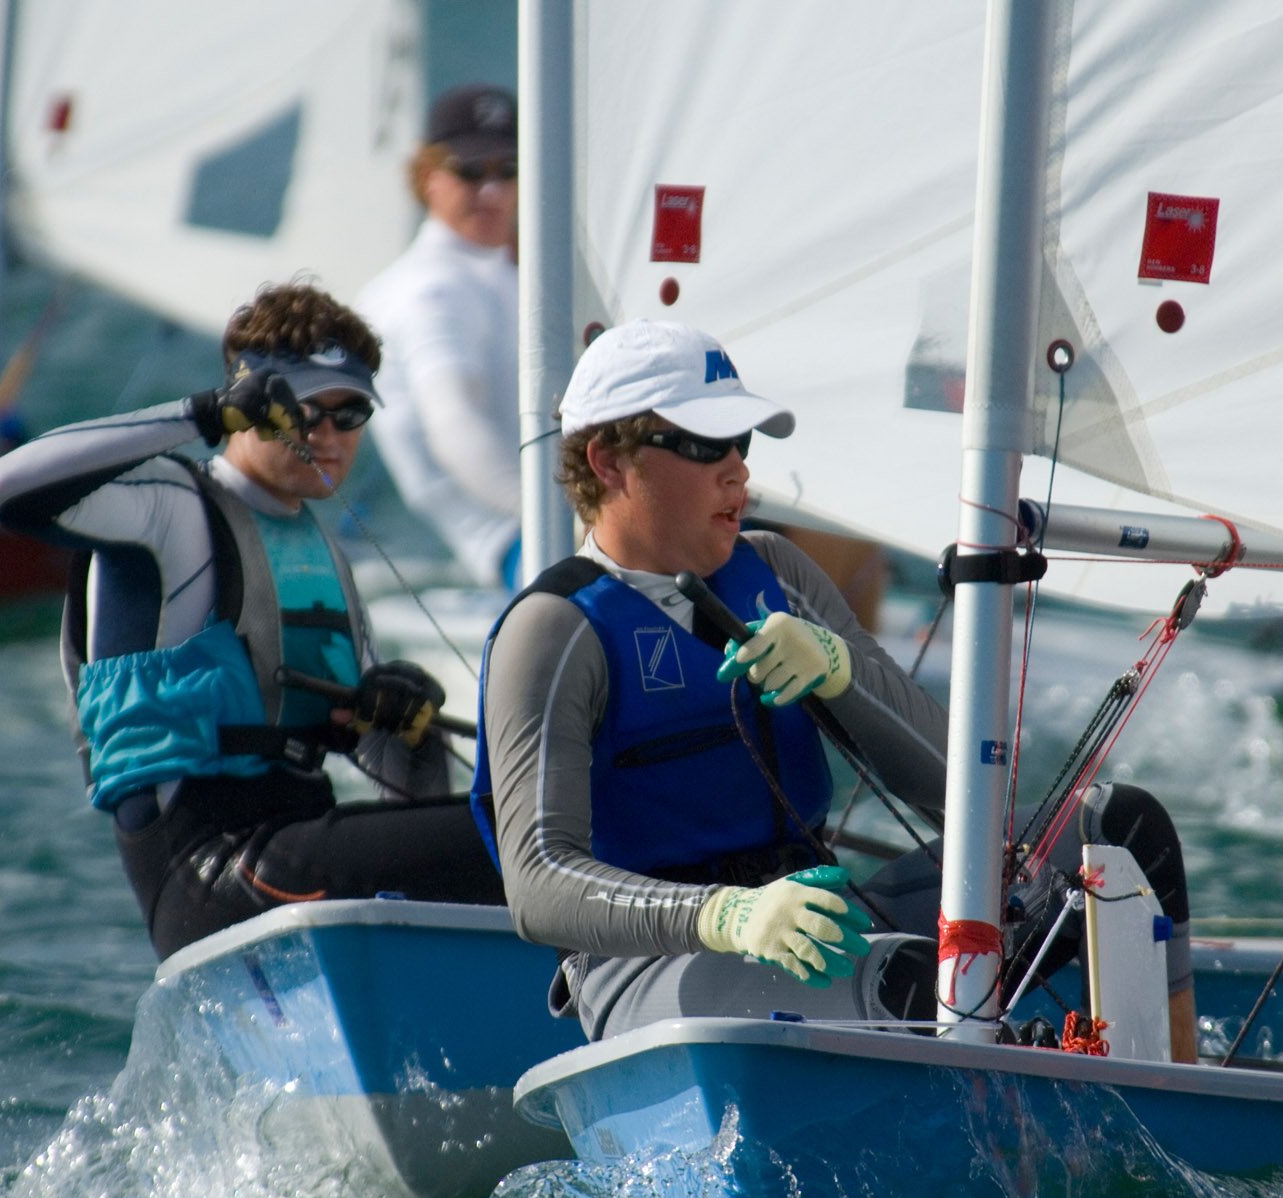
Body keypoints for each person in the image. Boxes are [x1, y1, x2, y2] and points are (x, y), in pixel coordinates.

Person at [471, 320, 1189, 1042]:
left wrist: (842, 672)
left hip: (821, 915)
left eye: (742, 442)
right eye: (705, 445)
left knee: (1122, 834)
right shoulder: (553, 631)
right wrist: (726, 916)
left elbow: (967, 798)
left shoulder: (778, 571)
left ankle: (1170, 1083)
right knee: (917, 983)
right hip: (651, 968)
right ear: (608, 462)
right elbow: (537, 885)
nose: (737, 470)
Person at [0, 281, 504, 959]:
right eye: (306, 411)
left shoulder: (323, 553)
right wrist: (201, 414)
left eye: (350, 414)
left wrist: (405, 729)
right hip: (209, 870)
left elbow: (402, 796)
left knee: (534, 827)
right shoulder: (169, 509)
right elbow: (5, 490)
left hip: (297, 849)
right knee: (529, 838)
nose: (329, 435)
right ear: (251, 404)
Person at [354, 83, 523, 586]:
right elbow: (454, 425)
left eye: (508, 170)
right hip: (519, 543)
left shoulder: (497, 271)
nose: (492, 191)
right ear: (428, 176)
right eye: (470, 171)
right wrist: (573, 524)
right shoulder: (429, 290)